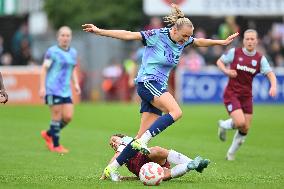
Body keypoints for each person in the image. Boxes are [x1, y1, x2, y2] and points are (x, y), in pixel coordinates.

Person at [82, 3, 238, 181]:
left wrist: (221, 42)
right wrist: (99, 31)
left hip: (157, 86)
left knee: (139, 137)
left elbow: (199, 42)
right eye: (184, 36)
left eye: (189, 37)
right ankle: (144, 141)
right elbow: (128, 35)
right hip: (148, 82)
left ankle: (111, 169)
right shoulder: (156, 35)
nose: (186, 40)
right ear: (175, 29)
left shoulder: (184, 39)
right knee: (176, 112)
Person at [216, 29, 277, 160]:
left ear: (257, 41)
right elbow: (219, 62)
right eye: (247, 39)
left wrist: (273, 85)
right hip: (232, 93)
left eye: (252, 39)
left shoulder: (260, 59)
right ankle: (224, 125)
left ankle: (230, 153)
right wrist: (226, 71)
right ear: (243, 41)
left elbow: (270, 73)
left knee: (245, 128)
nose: (250, 41)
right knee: (239, 122)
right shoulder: (235, 53)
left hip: (247, 96)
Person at [39, 26, 81, 153]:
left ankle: (48, 133)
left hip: (66, 90)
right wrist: (42, 87)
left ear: (71, 37)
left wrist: (76, 83)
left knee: (68, 117)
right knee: (56, 116)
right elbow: (44, 69)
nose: (65, 38)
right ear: (58, 37)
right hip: (53, 88)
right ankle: (56, 145)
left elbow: (72, 69)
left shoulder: (73, 52)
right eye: (63, 35)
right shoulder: (52, 52)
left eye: (68, 35)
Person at [100, 134, 210, 181]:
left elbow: (116, 157)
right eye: (111, 145)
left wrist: (104, 175)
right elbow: (117, 156)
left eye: (114, 140)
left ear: (122, 137)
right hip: (143, 170)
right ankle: (189, 166)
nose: (113, 144)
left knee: (155, 150)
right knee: (164, 175)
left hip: (146, 157)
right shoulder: (120, 153)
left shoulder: (126, 142)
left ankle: (194, 163)